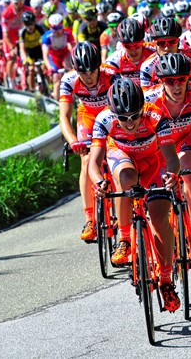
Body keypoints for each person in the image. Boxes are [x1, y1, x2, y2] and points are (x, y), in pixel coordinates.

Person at [89, 77, 182, 312]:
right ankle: (125, 239)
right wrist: (99, 182)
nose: (129, 123)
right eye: (123, 118)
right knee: (126, 180)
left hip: (154, 160)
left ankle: (166, 279)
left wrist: (171, 174)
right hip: (122, 156)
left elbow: (171, 158)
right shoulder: (104, 120)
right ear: (113, 114)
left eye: (134, 116)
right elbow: (94, 163)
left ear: (142, 108)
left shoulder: (156, 116)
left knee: (160, 219)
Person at [144, 53, 191, 253]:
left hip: (189, 137)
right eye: (170, 81)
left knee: (188, 169)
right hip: (161, 145)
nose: (177, 86)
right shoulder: (148, 99)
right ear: (161, 81)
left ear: (188, 78)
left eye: (181, 80)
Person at [59, 42, 114, 242]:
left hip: (111, 115)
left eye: (92, 70)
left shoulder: (111, 75)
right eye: (83, 72)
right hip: (88, 117)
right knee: (86, 159)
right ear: (75, 69)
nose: (89, 76)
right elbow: (64, 117)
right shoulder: (69, 80)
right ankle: (90, 218)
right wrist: (74, 141)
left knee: (117, 155)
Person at [102, 18, 155, 84]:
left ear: (143, 42)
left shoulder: (153, 50)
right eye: (128, 46)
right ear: (122, 45)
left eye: (136, 46)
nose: (133, 50)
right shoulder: (115, 58)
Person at [1, 0, 34, 86]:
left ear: (22, 1)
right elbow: (5, 34)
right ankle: (10, 81)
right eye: (14, 3)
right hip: (10, 37)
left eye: (18, 2)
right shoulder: (6, 14)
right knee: (11, 58)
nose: (16, 5)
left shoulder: (28, 10)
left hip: (23, 37)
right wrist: (11, 47)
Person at [42, 13, 75, 99]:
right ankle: (57, 104)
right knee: (56, 79)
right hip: (54, 57)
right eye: (54, 28)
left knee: (69, 70)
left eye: (59, 28)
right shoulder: (47, 37)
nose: (57, 31)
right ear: (50, 27)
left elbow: (74, 49)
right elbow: (45, 55)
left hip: (65, 55)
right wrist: (49, 67)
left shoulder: (67, 33)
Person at [18, 10, 46, 91]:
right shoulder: (22, 32)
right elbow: (22, 48)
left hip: (39, 50)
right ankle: (32, 90)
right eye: (27, 24)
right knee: (31, 69)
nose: (30, 26)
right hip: (29, 52)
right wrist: (25, 60)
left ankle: (48, 87)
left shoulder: (39, 28)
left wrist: (45, 57)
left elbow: (44, 44)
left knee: (44, 68)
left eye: (31, 23)